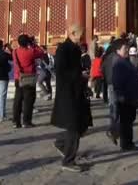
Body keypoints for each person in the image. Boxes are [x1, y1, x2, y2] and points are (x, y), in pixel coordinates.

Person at [51, 24, 92, 172]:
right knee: (74, 127)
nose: (81, 40)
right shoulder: (64, 49)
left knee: (81, 126)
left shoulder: (75, 49)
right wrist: (79, 75)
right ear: (72, 33)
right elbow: (61, 72)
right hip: (68, 94)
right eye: (79, 36)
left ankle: (61, 143)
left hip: (77, 91)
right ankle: (68, 161)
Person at [112, 39, 138, 151]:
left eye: (127, 48)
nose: (127, 50)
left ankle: (128, 142)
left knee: (129, 120)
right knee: (126, 122)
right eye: (124, 49)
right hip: (125, 97)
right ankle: (126, 144)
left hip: (131, 96)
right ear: (118, 50)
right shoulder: (118, 64)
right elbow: (117, 82)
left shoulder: (126, 61)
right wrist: (121, 96)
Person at [12, 34, 45, 129]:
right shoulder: (31, 52)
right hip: (29, 78)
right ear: (27, 42)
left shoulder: (15, 52)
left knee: (17, 101)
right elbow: (41, 52)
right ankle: (26, 121)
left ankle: (16, 121)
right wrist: (33, 44)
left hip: (18, 78)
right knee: (28, 101)